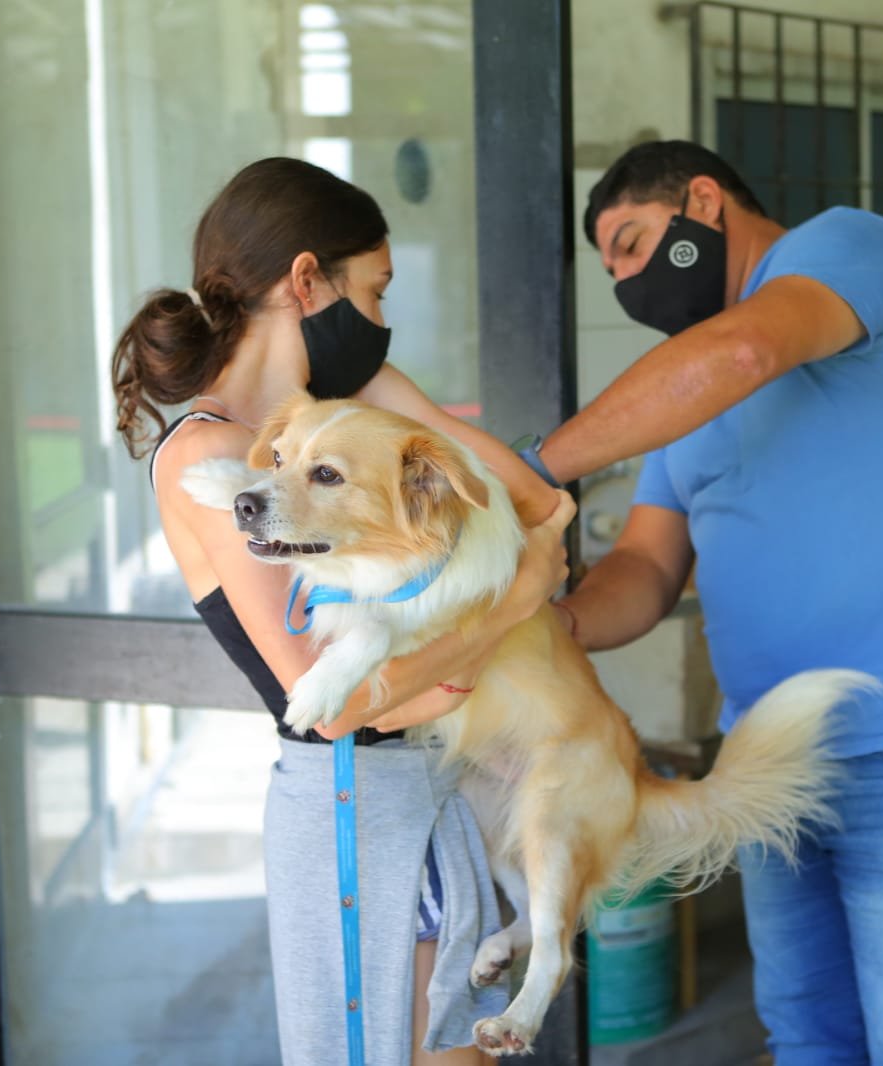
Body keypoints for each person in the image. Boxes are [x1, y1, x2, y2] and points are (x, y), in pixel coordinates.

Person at [540, 141, 883, 1064]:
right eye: (608, 266)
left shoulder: (844, 247)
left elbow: (746, 347)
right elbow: (645, 572)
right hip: (769, 759)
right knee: (806, 1035)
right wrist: (548, 625)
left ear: (703, 202)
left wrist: (530, 471)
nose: (624, 281)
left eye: (631, 243)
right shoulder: (686, 392)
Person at [111, 157, 573, 1066]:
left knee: (456, 1053)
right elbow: (339, 703)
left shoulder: (334, 426)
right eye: (375, 291)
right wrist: (517, 600)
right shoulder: (208, 460)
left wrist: (385, 391)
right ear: (307, 281)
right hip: (354, 803)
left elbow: (524, 500)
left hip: (428, 792)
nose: (380, 321)